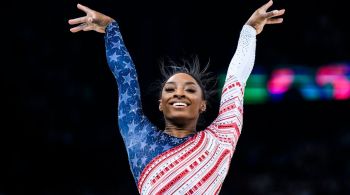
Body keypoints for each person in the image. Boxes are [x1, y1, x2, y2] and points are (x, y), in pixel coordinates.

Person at [68, 1, 285, 194]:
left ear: (203, 105)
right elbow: (126, 79)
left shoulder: (220, 139)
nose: (179, 93)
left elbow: (236, 79)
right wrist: (110, 27)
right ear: (160, 104)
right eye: (170, 90)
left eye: (190, 90)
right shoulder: (139, 136)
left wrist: (248, 32)